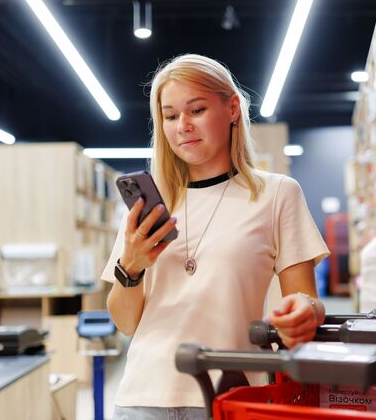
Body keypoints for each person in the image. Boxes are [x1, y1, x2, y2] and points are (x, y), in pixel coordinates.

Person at [102, 54, 329, 420]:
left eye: (197, 110)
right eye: (171, 116)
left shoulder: (276, 194)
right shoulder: (150, 205)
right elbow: (126, 323)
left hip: (229, 395)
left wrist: (304, 312)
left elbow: (307, 302)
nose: (183, 126)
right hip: (142, 396)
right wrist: (131, 266)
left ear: (233, 108)